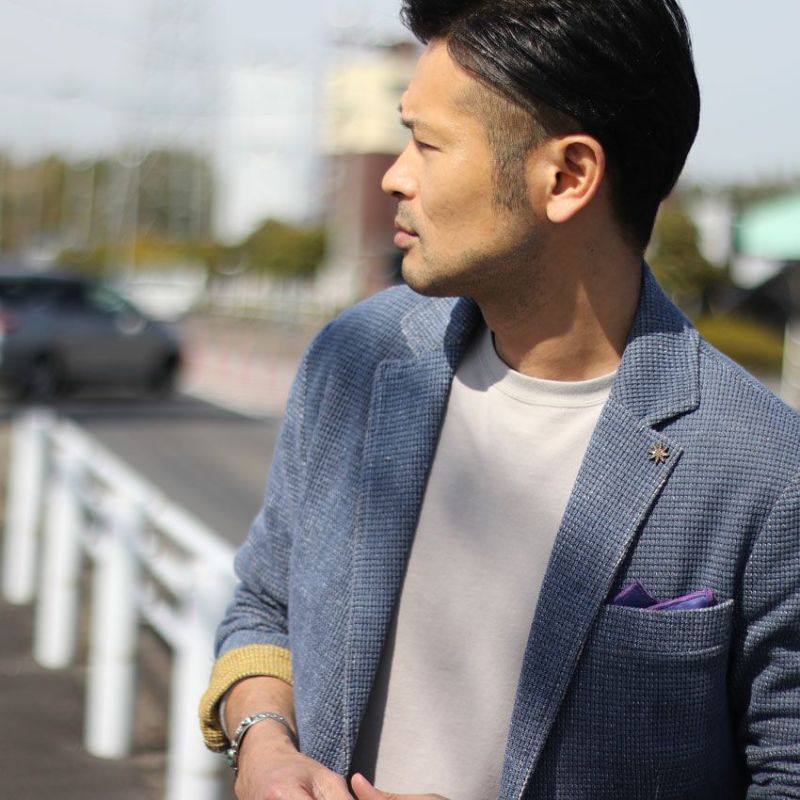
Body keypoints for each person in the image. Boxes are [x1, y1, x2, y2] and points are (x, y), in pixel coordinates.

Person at [199, 0, 800, 797]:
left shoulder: (765, 469)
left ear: (568, 177)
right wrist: (262, 742)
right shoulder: (356, 359)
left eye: (427, 144)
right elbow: (265, 603)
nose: (395, 175)